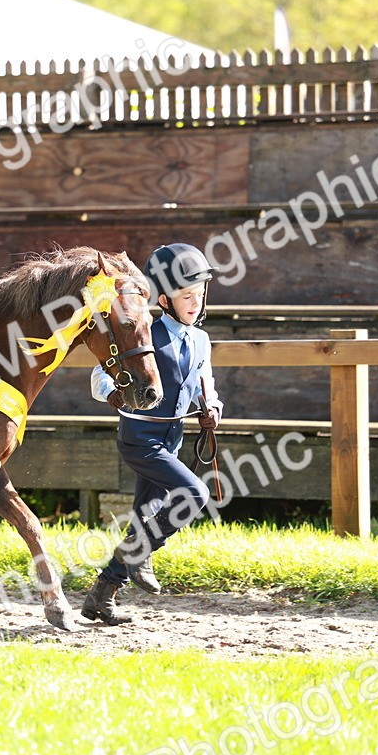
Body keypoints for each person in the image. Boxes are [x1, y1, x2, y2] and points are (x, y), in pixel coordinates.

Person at [81, 243, 225, 626]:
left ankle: (102, 594)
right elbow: (100, 374)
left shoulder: (200, 340)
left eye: (199, 295)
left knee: (145, 519)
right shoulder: (146, 333)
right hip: (140, 439)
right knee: (194, 493)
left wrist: (212, 410)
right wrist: (111, 392)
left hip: (172, 438)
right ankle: (137, 555)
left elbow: (204, 385)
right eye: (185, 297)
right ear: (163, 299)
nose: (194, 304)